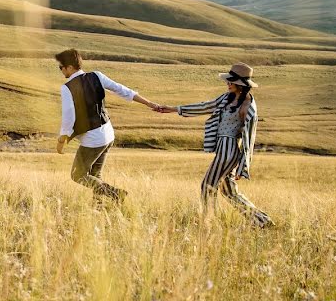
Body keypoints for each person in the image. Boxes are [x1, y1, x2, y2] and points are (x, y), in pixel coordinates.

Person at [156, 63, 272, 227]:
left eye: (230, 81)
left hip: (230, 150)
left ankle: (209, 222)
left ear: (240, 84)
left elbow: (249, 139)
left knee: (207, 186)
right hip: (222, 149)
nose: (227, 83)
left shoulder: (249, 108)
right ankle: (261, 220)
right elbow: (205, 106)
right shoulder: (227, 98)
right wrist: (174, 109)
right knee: (228, 191)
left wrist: (243, 167)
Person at [55, 48, 160, 203]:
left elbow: (68, 116)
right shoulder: (97, 76)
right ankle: (98, 207)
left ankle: (116, 193)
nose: (61, 71)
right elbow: (122, 90)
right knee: (95, 175)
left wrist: (61, 140)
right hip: (108, 134)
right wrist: (149, 103)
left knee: (77, 174)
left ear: (69, 67)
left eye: (61, 67)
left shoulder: (67, 87)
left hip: (93, 139)